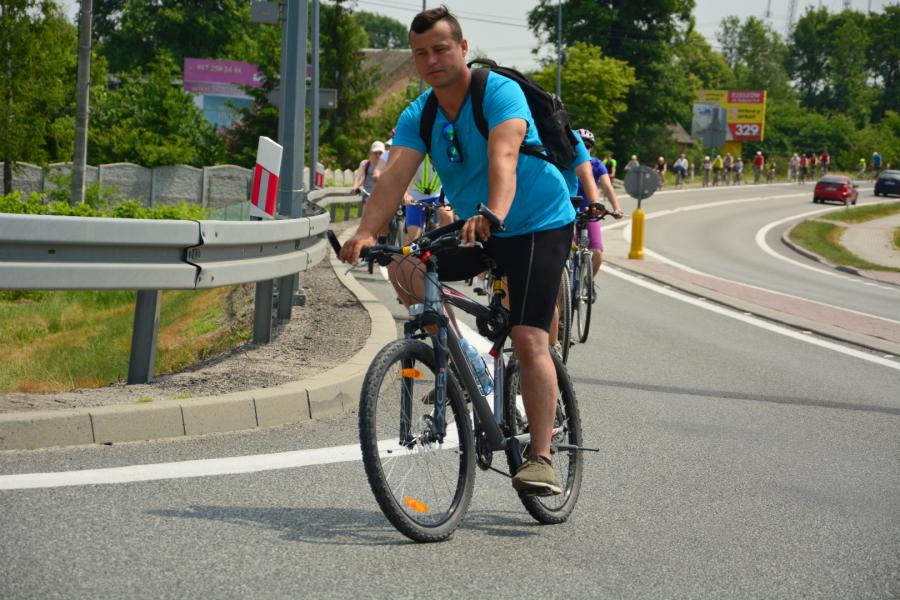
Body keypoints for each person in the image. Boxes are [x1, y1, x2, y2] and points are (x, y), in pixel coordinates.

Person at [339, 6, 574, 497]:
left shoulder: (497, 92)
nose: (431, 60)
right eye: (421, 53)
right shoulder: (420, 113)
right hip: (478, 227)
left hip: (537, 222)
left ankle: (541, 457)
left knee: (529, 338)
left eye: (441, 49)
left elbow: (504, 155)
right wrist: (365, 232)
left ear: (463, 48)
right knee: (405, 266)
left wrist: (493, 211)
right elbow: (393, 178)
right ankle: (466, 358)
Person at [403, 153, 453, 242]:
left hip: (438, 195)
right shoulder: (419, 153)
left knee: (447, 216)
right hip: (415, 196)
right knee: (413, 238)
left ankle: (439, 243)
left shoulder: (445, 154)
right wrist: (406, 193)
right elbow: (411, 174)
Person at [351, 141, 386, 206]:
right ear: (371, 153)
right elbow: (358, 176)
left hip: (382, 196)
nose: (378, 155)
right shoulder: (365, 163)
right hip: (367, 194)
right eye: (375, 153)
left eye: (380, 153)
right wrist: (355, 186)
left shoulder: (387, 165)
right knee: (366, 211)